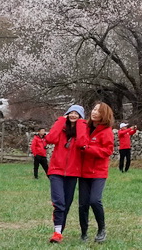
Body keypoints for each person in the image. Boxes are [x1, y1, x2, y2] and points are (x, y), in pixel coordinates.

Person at [44, 104, 86, 243]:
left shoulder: (82, 130)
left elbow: (82, 143)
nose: (73, 115)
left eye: (77, 113)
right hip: (56, 171)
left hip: (73, 173)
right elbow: (50, 139)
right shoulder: (61, 129)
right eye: (71, 112)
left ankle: (59, 231)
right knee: (59, 202)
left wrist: (81, 124)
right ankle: (56, 233)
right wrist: (61, 120)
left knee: (66, 204)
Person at [77, 102, 115, 243]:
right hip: (83, 172)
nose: (94, 112)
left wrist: (88, 148)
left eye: (98, 111)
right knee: (83, 204)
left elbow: (107, 151)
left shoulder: (106, 131)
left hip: (98, 172)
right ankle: (84, 233)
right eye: (94, 109)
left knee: (94, 200)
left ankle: (101, 229)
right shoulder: (85, 128)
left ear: (104, 115)